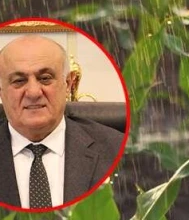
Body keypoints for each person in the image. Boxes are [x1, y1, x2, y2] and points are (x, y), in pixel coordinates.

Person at [0, 35, 124, 209]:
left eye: (45, 78)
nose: (33, 92)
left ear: (68, 84)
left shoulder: (117, 150)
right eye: (19, 81)